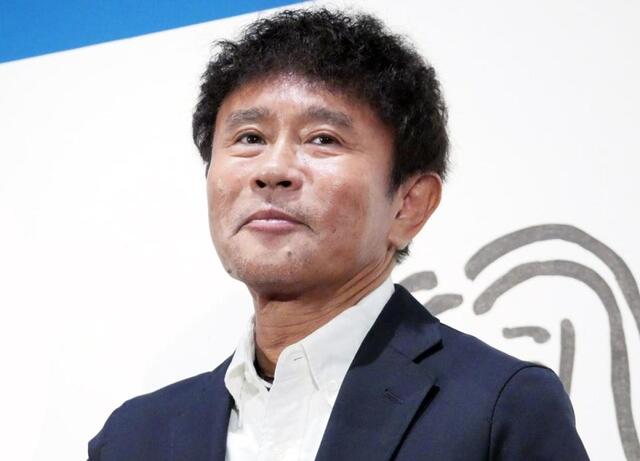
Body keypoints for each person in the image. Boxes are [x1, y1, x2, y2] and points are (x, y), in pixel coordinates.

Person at [88, 8, 590, 460]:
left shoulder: (500, 409)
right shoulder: (133, 438)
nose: (273, 170)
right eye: (250, 138)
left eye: (322, 139)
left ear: (409, 204)